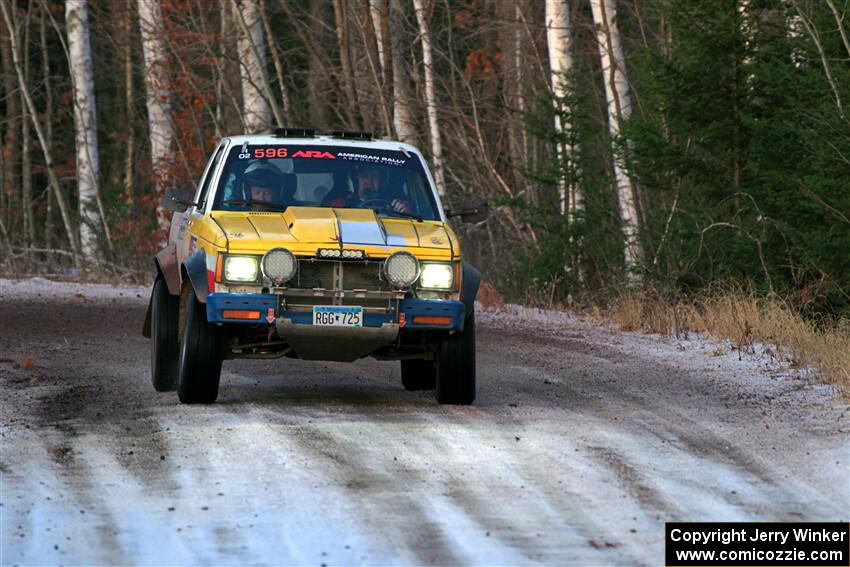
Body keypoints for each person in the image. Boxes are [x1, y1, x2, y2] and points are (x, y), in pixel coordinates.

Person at [323, 165, 411, 213]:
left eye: (374, 177)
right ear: (355, 181)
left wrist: (401, 214)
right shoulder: (339, 204)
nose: (369, 181)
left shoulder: (396, 205)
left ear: (381, 181)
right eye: (364, 177)